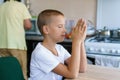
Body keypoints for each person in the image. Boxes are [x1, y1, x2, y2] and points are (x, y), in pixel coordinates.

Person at [30, 9, 87, 80]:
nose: (65, 30)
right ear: (46, 29)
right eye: (60, 26)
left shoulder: (59, 48)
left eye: (64, 26)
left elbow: (82, 68)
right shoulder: (40, 53)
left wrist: (81, 41)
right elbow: (72, 74)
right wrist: (76, 42)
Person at [0, 0, 32, 80]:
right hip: (17, 45)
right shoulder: (21, 6)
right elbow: (28, 25)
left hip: (1, 45)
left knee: (5, 71)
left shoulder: (1, 6)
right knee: (21, 72)